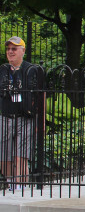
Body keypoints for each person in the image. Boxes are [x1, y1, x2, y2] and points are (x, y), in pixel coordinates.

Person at [0, 36, 44, 191]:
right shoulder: (3, 70)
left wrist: (41, 121)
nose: (10, 52)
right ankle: (13, 184)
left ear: (23, 51)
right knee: (3, 158)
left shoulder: (32, 70)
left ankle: (21, 188)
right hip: (5, 117)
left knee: (21, 156)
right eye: (8, 49)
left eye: (14, 48)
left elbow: (41, 96)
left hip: (26, 118)